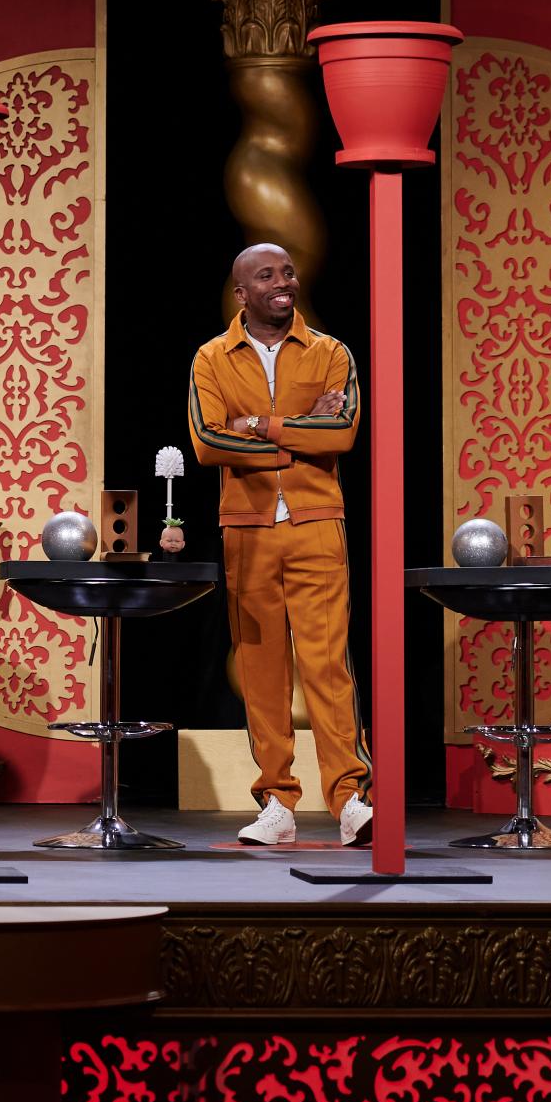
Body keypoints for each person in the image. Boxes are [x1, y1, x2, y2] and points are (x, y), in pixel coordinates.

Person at [183, 243, 373, 847]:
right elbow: (209, 441)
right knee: (262, 672)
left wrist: (261, 426)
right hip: (248, 530)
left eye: (287, 272)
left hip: (317, 524)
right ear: (242, 293)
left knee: (326, 666)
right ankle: (276, 803)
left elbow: (341, 431)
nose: (282, 283)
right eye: (266, 276)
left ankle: (349, 799)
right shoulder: (211, 359)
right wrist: (298, 432)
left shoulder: (330, 352)